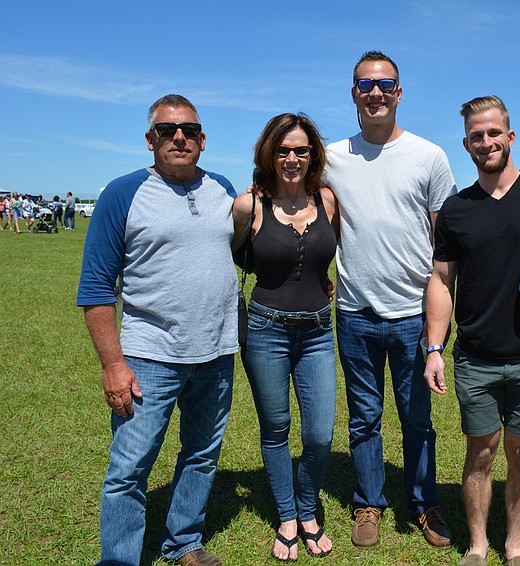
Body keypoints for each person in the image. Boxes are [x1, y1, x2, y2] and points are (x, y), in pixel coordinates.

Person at [77, 94, 238, 566]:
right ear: (150, 140)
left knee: (202, 455)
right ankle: (120, 559)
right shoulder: (122, 193)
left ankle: (183, 542)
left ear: (203, 139)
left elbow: (249, 251)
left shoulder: (223, 189)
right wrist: (112, 364)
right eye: (167, 131)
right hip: (148, 356)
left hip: (215, 352)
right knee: (129, 469)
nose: (179, 137)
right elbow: (95, 288)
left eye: (188, 129)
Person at [423, 95, 520, 566]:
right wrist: (434, 348)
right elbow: (441, 281)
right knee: (482, 452)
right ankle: (477, 545)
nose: (485, 142)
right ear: (466, 144)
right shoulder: (455, 209)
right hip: (476, 355)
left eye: (493, 133)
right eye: (476, 136)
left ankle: (514, 546)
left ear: (510, 136)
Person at [325, 50, 456, 549]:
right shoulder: (334, 156)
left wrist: (439, 320)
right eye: (365, 84)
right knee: (364, 417)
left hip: (413, 316)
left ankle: (425, 505)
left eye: (385, 84)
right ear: (354, 93)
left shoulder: (430, 156)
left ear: (399, 93)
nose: (375, 92)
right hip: (355, 311)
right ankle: (368, 502)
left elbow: (443, 246)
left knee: (416, 418)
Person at [232, 113, 339, 562]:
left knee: (319, 435)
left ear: (312, 154)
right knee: (276, 430)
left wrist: (324, 282)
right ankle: (291, 517)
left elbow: (330, 258)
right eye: (283, 150)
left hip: (318, 330)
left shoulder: (328, 200)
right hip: (265, 330)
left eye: (300, 150)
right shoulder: (248, 206)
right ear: (269, 155)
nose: (292, 158)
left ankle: (309, 505)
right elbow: (232, 259)